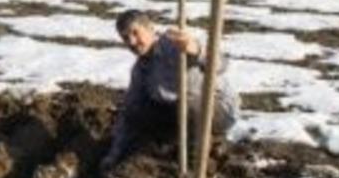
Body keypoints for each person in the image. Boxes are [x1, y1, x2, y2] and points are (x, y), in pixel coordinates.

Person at [101, 10, 240, 169]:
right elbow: (129, 115)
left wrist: (196, 50)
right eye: (126, 38)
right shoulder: (140, 70)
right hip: (180, 114)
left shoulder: (175, 43)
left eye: (135, 33)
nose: (132, 41)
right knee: (137, 110)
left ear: (150, 29)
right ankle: (163, 147)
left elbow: (222, 64)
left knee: (188, 105)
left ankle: (196, 163)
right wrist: (114, 155)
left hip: (217, 107)